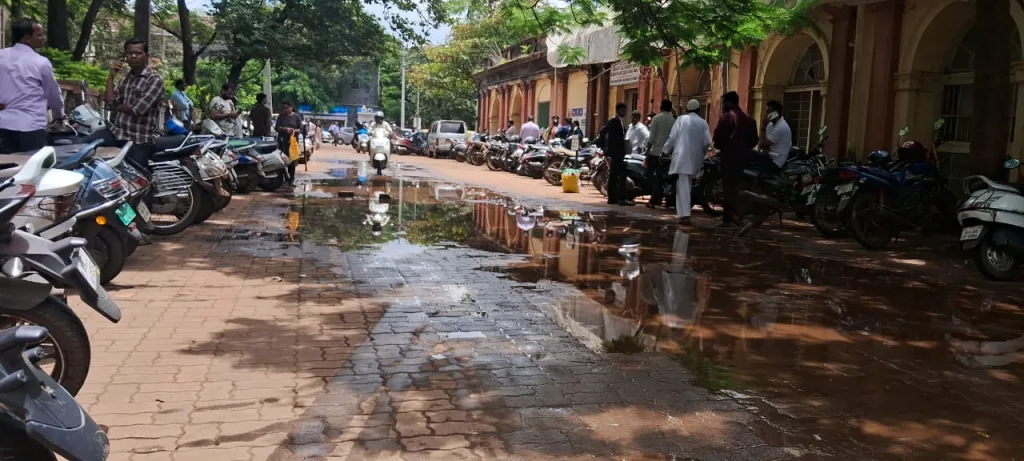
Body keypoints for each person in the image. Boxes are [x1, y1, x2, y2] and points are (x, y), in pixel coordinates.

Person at [0, 18, 65, 153]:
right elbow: (53, 94)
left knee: (4, 170)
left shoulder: (1, 56)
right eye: (39, 35)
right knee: (32, 170)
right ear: (27, 38)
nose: (44, 38)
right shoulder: (40, 62)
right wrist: (59, 115)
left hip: (3, 125)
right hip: (31, 127)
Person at [105, 37, 165, 167]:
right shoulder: (125, 79)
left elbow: (137, 110)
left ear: (146, 56)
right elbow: (109, 102)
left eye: (138, 53)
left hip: (139, 139)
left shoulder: (154, 79)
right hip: (118, 134)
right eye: (129, 53)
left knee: (137, 182)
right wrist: (110, 78)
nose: (133, 56)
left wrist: (117, 107)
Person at [713, 91, 759, 227]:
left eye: (724, 103)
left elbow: (717, 138)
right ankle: (731, 216)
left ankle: (734, 218)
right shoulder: (749, 120)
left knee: (728, 189)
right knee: (735, 188)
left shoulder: (727, 118)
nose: (722, 106)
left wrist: (724, 147)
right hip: (743, 159)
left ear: (730, 102)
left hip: (728, 158)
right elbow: (754, 141)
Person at [664, 99, 711, 226]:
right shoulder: (703, 122)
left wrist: (665, 150)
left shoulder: (681, 119)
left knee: (683, 186)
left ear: (687, 110)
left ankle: (685, 215)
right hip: (696, 158)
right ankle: (684, 213)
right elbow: (707, 142)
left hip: (682, 157)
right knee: (687, 184)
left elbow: (672, 138)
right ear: (698, 110)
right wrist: (702, 154)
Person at [598, 103, 633, 206]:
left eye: (625, 111)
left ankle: (612, 199)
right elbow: (602, 132)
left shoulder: (621, 121)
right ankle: (621, 198)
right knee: (622, 174)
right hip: (615, 152)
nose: (624, 113)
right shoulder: (614, 121)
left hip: (618, 152)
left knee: (613, 175)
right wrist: (604, 146)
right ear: (617, 110)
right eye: (622, 111)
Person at [645, 100, 676, 209]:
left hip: (655, 152)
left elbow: (651, 137)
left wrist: (647, 152)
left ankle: (653, 200)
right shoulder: (673, 121)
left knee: (652, 176)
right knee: (664, 177)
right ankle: (663, 198)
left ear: (661, 107)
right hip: (668, 154)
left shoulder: (656, 119)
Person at [275, 101, 305, 185]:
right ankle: (283, 177)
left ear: (291, 107)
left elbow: (301, 129)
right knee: (282, 160)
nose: (285, 109)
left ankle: (291, 179)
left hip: (293, 142)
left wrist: (294, 131)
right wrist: (285, 129)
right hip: (282, 141)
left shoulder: (297, 117)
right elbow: (277, 128)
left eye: (287, 108)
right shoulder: (281, 116)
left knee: (292, 160)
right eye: (284, 108)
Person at [758, 100, 792, 172]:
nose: (767, 115)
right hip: (770, 156)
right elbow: (763, 144)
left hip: (776, 162)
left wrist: (763, 128)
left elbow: (763, 144)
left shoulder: (781, 127)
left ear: (776, 113)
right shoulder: (771, 125)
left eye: (769, 112)